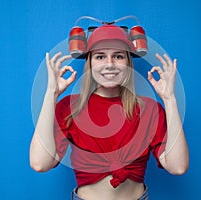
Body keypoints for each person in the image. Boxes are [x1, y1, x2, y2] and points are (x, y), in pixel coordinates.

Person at [30, 24, 189, 200]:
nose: (110, 64)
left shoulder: (149, 109)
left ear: (128, 62)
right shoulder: (69, 108)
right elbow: (40, 163)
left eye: (118, 56)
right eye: (100, 56)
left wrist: (170, 99)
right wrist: (51, 94)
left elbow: (178, 167)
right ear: (89, 63)